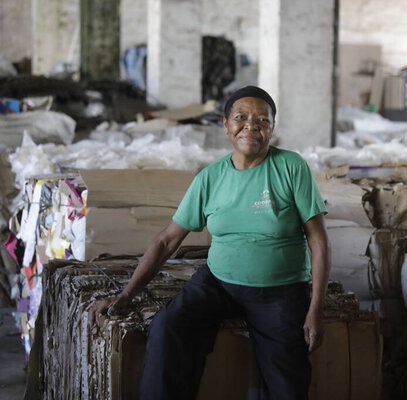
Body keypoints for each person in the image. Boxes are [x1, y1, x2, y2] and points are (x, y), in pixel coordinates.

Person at [88, 86, 331, 400]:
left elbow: (319, 241)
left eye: (262, 120)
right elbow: (166, 240)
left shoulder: (291, 167)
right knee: (168, 328)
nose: (251, 126)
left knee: (288, 380)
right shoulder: (210, 178)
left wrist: (315, 310)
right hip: (219, 282)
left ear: (271, 128)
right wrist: (125, 294)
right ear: (226, 125)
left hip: (280, 289)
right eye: (240, 118)